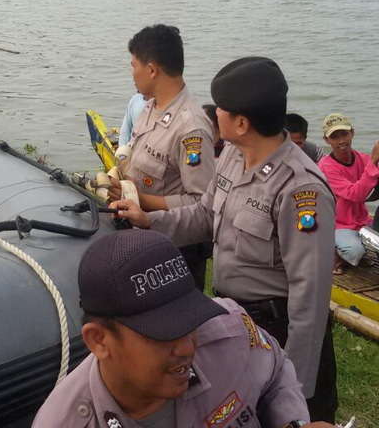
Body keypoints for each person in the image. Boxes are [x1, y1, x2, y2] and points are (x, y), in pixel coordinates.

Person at [113, 57, 337, 423]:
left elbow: (309, 299)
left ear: (242, 123)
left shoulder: (300, 190)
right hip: (237, 322)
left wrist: (293, 384)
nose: (214, 114)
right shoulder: (233, 153)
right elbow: (205, 215)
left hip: (279, 330)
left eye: (221, 109)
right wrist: (148, 220)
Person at [33, 229, 331, 428]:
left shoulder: (230, 332)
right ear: (99, 340)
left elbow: (275, 369)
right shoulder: (63, 421)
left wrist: (291, 422)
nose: (188, 347)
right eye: (163, 332)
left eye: (189, 321)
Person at [108, 24, 215, 291]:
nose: (132, 74)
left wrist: (136, 198)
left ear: (152, 69)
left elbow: (202, 206)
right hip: (141, 239)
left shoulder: (191, 128)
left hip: (175, 255)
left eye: (133, 66)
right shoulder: (149, 107)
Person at [318, 113, 379, 275]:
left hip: (363, 221)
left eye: (344, 134)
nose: (341, 140)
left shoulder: (362, 158)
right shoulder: (326, 167)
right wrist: (373, 162)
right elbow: (355, 194)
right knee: (355, 252)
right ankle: (333, 250)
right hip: (338, 224)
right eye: (334, 136)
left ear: (352, 133)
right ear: (326, 140)